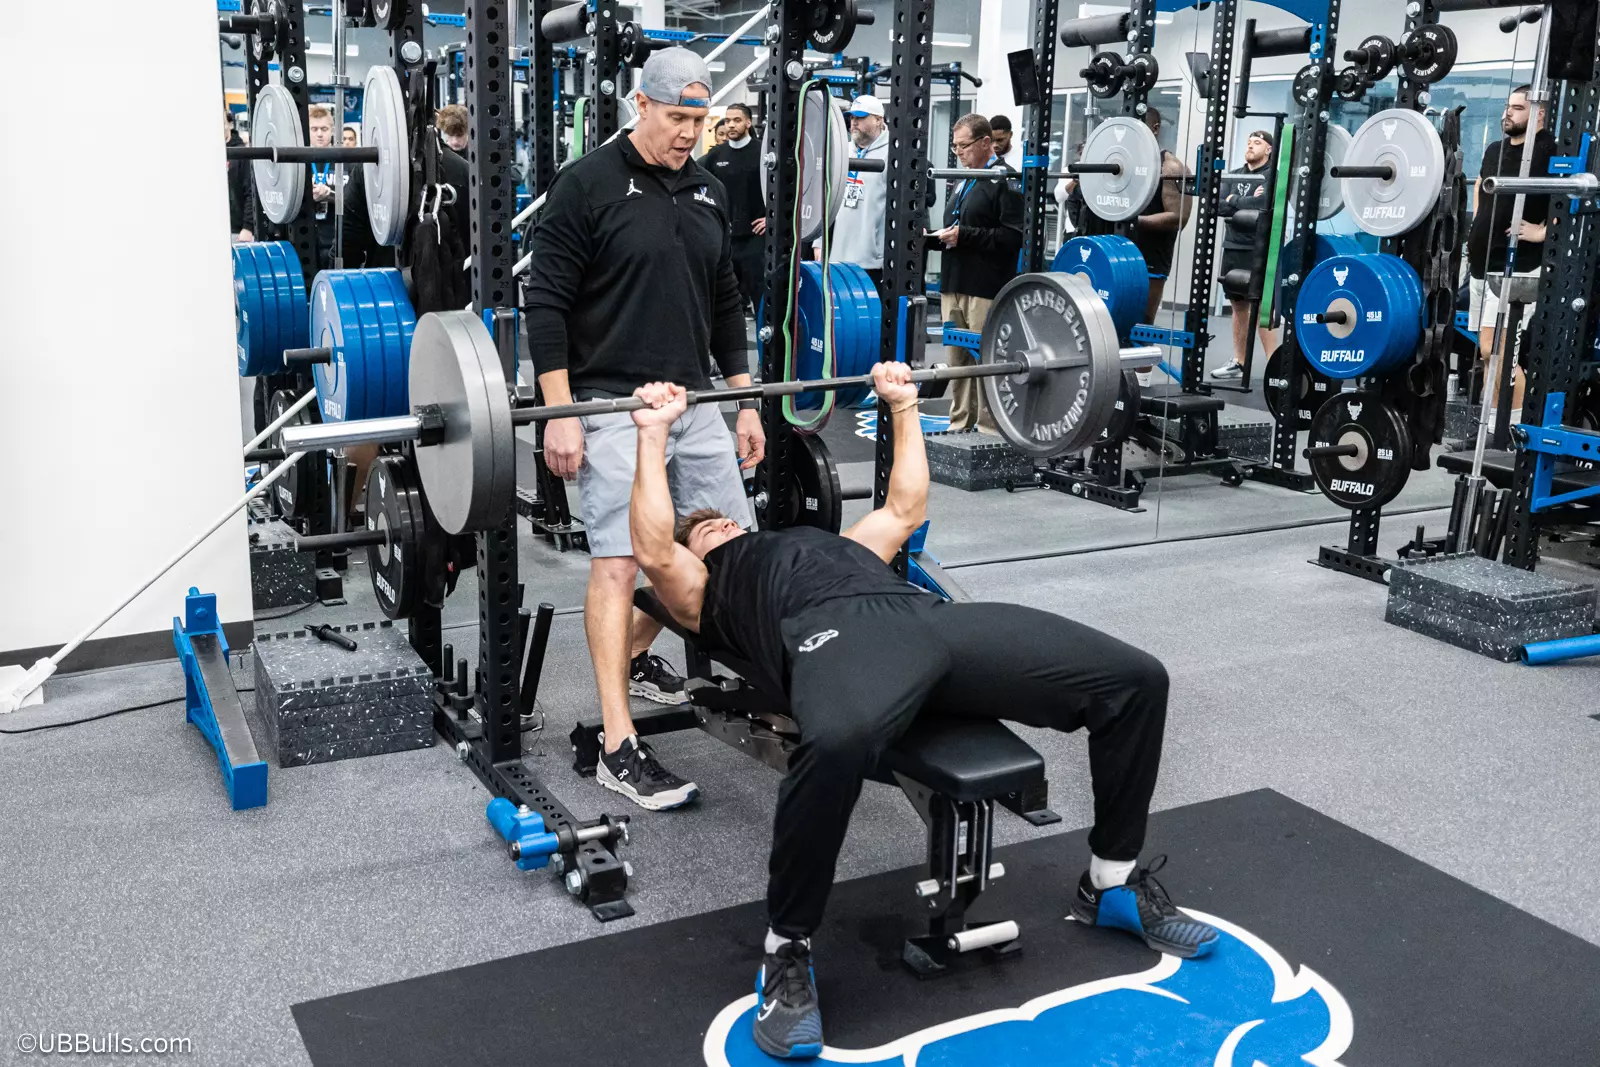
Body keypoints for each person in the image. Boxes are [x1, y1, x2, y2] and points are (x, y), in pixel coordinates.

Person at [625, 363, 1220, 1059]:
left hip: (930, 620)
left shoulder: (838, 545)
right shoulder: (707, 586)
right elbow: (652, 547)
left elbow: (903, 509)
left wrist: (904, 405)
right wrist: (653, 434)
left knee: (1135, 680)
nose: (723, 525)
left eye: (726, 518)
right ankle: (787, 949)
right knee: (836, 742)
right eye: (707, 531)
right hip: (834, 636)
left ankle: (1110, 883)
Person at [521, 47, 765, 811]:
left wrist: (746, 401)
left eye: (700, 119)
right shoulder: (586, 183)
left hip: (693, 403)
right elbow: (546, 302)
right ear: (641, 105)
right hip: (609, 405)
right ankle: (617, 743)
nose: (690, 132)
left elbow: (724, 301)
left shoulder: (708, 189)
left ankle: (632, 662)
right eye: (678, 117)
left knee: (728, 553)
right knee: (621, 562)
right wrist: (561, 412)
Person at [929, 114, 1022, 433]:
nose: (958, 152)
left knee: (986, 360)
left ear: (985, 143)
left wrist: (964, 236)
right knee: (958, 363)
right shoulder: (964, 178)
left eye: (963, 146)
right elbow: (960, 225)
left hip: (985, 286)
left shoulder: (1005, 179)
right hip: (954, 282)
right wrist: (935, 238)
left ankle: (988, 429)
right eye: (954, 146)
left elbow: (1013, 236)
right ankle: (959, 425)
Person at [1469, 84, 1554, 419]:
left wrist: (1543, 232)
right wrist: (1478, 223)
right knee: (1487, 355)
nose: (1508, 113)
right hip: (1481, 264)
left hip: (1517, 267)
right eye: (1508, 106)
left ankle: (1513, 427)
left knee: (1500, 353)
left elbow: (1572, 199)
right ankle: (1491, 426)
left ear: (1539, 114)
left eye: (1518, 108)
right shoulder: (1495, 149)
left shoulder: (1550, 151)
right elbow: (1481, 183)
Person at [1127, 107, 1192, 386]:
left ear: (1155, 129)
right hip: (1120, 251)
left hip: (1151, 255)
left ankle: (1141, 385)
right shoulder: (1123, 163)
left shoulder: (1171, 168)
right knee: (1110, 317)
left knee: (1142, 320)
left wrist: (1131, 221)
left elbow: (1179, 218)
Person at [1210, 129, 1278, 380]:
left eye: (1257, 143)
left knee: (1261, 307)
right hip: (1233, 246)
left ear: (1268, 149)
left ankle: (1274, 365)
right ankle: (1239, 363)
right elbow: (1217, 205)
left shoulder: (1271, 176)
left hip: (1258, 248)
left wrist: (1233, 199)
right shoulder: (1234, 174)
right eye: (1249, 142)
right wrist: (1243, 200)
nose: (1250, 146)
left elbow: (1262, 206)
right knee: (1238, 305)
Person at [701, 103, 766, 314]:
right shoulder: (716, 155)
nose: (730, 125)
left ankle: (766, 335)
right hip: (726, 238)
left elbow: (786, 186)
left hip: (756, 237)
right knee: (726, 299)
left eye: (737, 120)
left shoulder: (764, 152)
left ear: (748, 123)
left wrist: (772, 218)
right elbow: (695, 183)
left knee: (761, 295)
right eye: (728, 120)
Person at [830, 96, 890, 296]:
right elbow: (826, 198)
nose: (854, 122)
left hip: (872, 259)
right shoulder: (843, 150)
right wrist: (819, 243)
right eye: (852, 117)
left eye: (861, 117)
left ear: (879, 120)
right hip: (838, 256)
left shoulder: (892, 153)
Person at [306, 105, 351, 270]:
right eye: (314, 129)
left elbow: (355, 199)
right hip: (308, 238)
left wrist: (331, 195)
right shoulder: (300, 162)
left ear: (332, 130)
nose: (319, 134)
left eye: (324, 129)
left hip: (338, 236)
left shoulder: (346, 161)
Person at [225, 108, 254, 242]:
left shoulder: (241, 153)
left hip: (237, 232)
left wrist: (248, 227)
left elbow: (251, 192)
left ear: (230, 124)